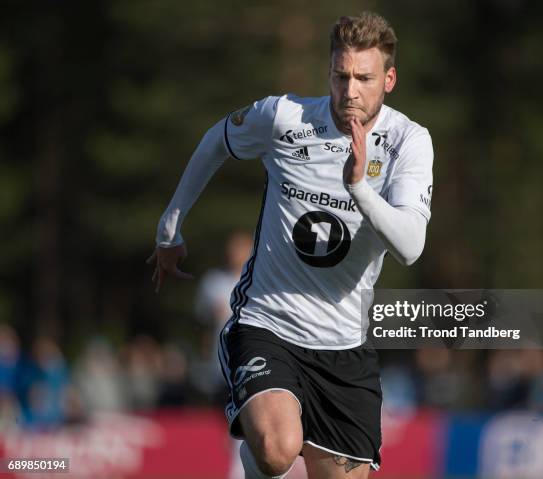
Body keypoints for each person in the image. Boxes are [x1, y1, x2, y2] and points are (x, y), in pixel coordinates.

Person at [147, 11, 433, 479]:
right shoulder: (284, 118)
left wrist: (360, 188)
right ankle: (258, 457)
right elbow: (215, 143)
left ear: (390, 78)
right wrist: (169, 228)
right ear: (330, 72)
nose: (351, 91)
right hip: (268, 324)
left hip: (344, 345)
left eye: (364, 78)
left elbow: (410, 247)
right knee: (279, 449)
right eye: (341, 76)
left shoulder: (409, 143)